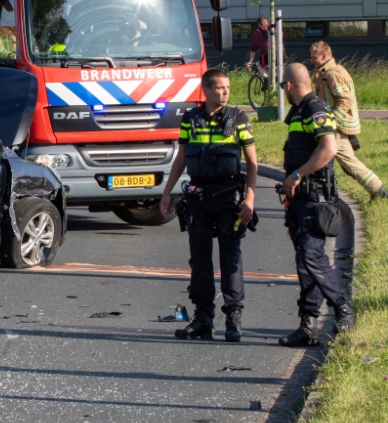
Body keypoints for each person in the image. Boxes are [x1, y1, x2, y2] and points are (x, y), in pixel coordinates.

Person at [160, 69, 258, 342]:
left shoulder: (238, 119)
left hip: (229, 200)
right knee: (199, 262)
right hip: (199, 200)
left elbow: (252, 162)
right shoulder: (190, 119)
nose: (225, 92)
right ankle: (203, 318)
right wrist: (167, 193)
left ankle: (233, 318)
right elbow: (181, 158)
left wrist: (250, 197)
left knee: (231, 260)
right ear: (206, 90)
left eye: (228, 87)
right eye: (219, 88)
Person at [276, 63, 355, 347]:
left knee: (313, 256)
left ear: (288, 85)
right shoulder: (297, 112)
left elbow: (328, 149)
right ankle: (308, 326)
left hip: (314, 197)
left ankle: (342, 308)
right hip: (298, 200)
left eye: (282, 86)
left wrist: (297, 174)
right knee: (304, 263)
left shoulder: (315, 109)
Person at [310, 41, 388, 201]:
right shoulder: (325, 73)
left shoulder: (333, 74)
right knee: (348, 162)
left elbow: (345, 101)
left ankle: (322, 195)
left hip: (335, 127)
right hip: (334, 127)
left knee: (320, 158)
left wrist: (331, 119)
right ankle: (378, 191)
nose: (311, 60)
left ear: (324, 56)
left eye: (314, 57)